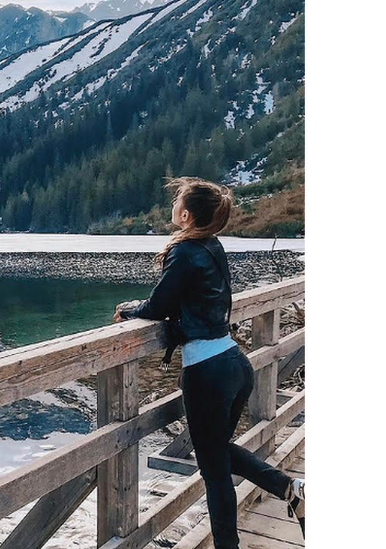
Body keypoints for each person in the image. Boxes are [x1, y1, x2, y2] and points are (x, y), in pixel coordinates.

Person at [113, 177, 306, 548]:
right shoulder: (212, 246)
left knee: (215, 474)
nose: (172, 204)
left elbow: (158, 306)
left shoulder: (184, 252)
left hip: (207, 373)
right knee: (216, 454)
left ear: (185, 214)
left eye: (177, 200)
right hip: (234, 362)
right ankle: (292, 489)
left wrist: (129, 309)